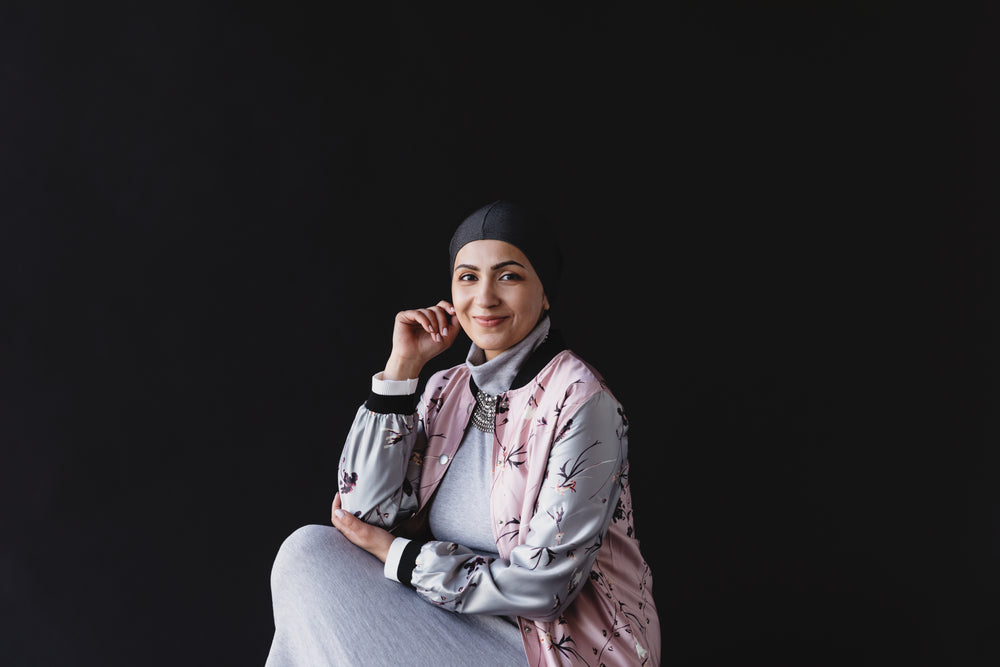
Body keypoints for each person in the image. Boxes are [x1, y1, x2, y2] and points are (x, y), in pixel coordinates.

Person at [266, 200, 661, 666]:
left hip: (551, 648)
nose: (485, 298)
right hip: (452, 619)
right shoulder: (444, 389)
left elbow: (544, 588)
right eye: (468, 277)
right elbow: (361, 514)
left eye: (509, 276)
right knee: (309, 554)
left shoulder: (582, 401)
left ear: (546, 291)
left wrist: (402, 555)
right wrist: (401, 373)